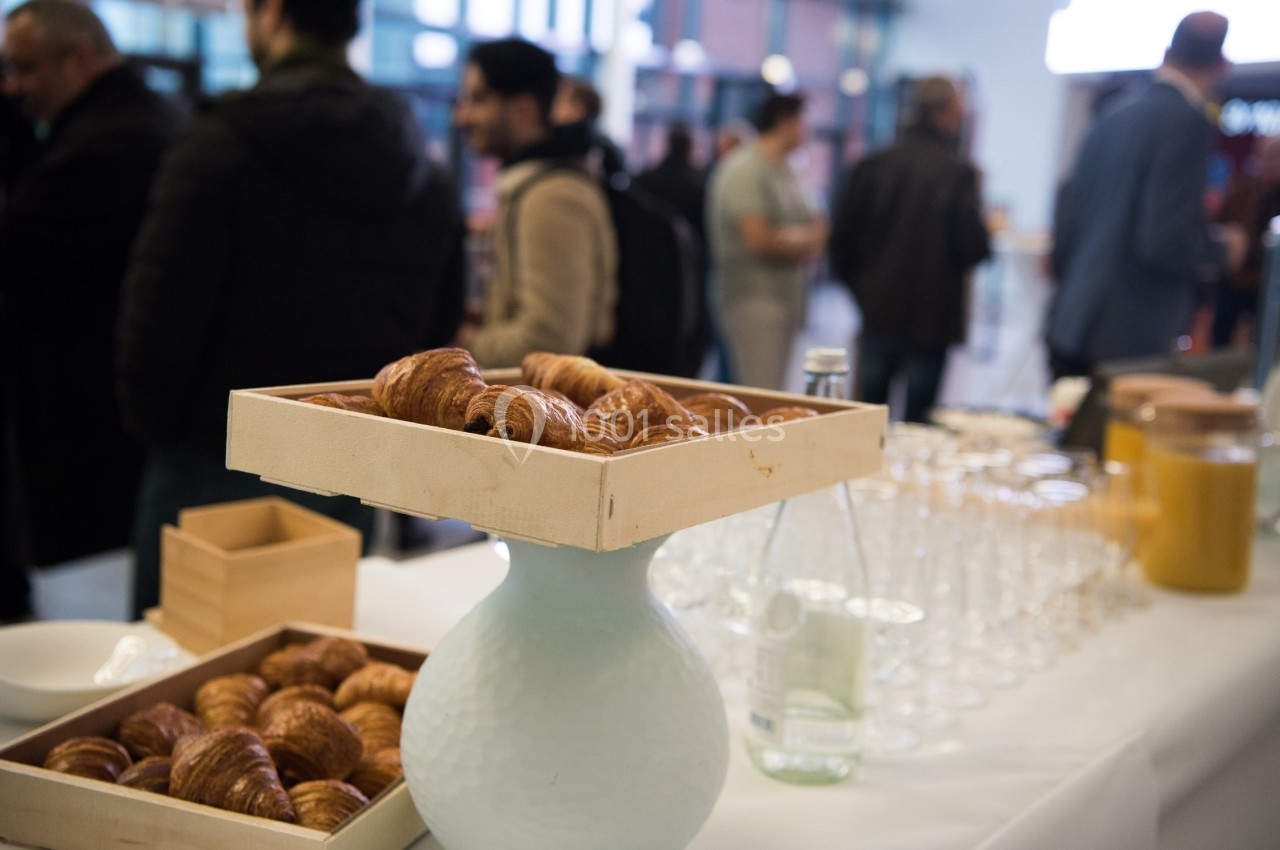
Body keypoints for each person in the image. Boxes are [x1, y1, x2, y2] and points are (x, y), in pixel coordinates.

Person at [118, 0, 466, 619]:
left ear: (273, 13)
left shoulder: (219, 141)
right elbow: (438, 332)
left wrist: (156, 425)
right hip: (352, 448)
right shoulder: (420, 161)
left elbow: (161, 306)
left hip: (215, 445)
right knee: (312, 657)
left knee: (176, 660)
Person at [0, 0, 183, 621]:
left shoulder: (109, 143)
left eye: (24, 68)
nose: (15, 86)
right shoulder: (143, 119)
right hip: (111, 415)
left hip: (90, 421)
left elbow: (17, 249)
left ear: (76, 58)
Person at [1046, 11, 1247, 378]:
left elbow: (1068, 215)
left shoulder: (1112, 114)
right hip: (1130, 332)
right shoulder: (1187, 123)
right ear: (1222, 65)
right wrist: (1223, 249)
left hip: (1074, 318)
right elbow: (1164, 239)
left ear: (1167, 54)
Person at [829, 75, 991, 424]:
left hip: (877, 310)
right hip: (932, 318)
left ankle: (866, 480)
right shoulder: (958, 174)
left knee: (868, 419)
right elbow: (973, 248)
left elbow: (840, 241)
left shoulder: (873, 165)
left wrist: (863, 292)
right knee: (919, 425)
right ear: (946, 113)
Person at [452, 38, 617, 368]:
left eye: (478, 99)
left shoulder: (553, 197)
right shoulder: (535, 187)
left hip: (557, 412)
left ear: (523, 110)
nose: (462, 116)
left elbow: (549, 341)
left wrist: (462, 347)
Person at [706, 92, 826, 390]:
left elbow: (821, 230)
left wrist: (791, 238)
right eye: (804, 121)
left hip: (789, 297)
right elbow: (759, 241)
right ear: (785, 122)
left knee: (775, 389)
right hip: (752, 299)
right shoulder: (744, 169)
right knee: (759, 395)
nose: (808, 130)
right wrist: (801, 240)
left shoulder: (792, 169)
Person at [633, 122, 713, 375]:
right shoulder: (700, 185)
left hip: (646, 274)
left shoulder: (642, 181)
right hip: (689, 276)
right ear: (690, 147)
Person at [1211, 134, 1280, 349]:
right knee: (1220, 338)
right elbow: (1219, 225)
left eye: (1274, 157)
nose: (1267, 163)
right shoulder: (1243, 190)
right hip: (1235, 279)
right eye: (1263, 156)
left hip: (1269, 284)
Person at [551, 75, 626, 183]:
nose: (553, 109)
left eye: (560, 102)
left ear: (577, 110)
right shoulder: (607, 146)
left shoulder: (586, 149)